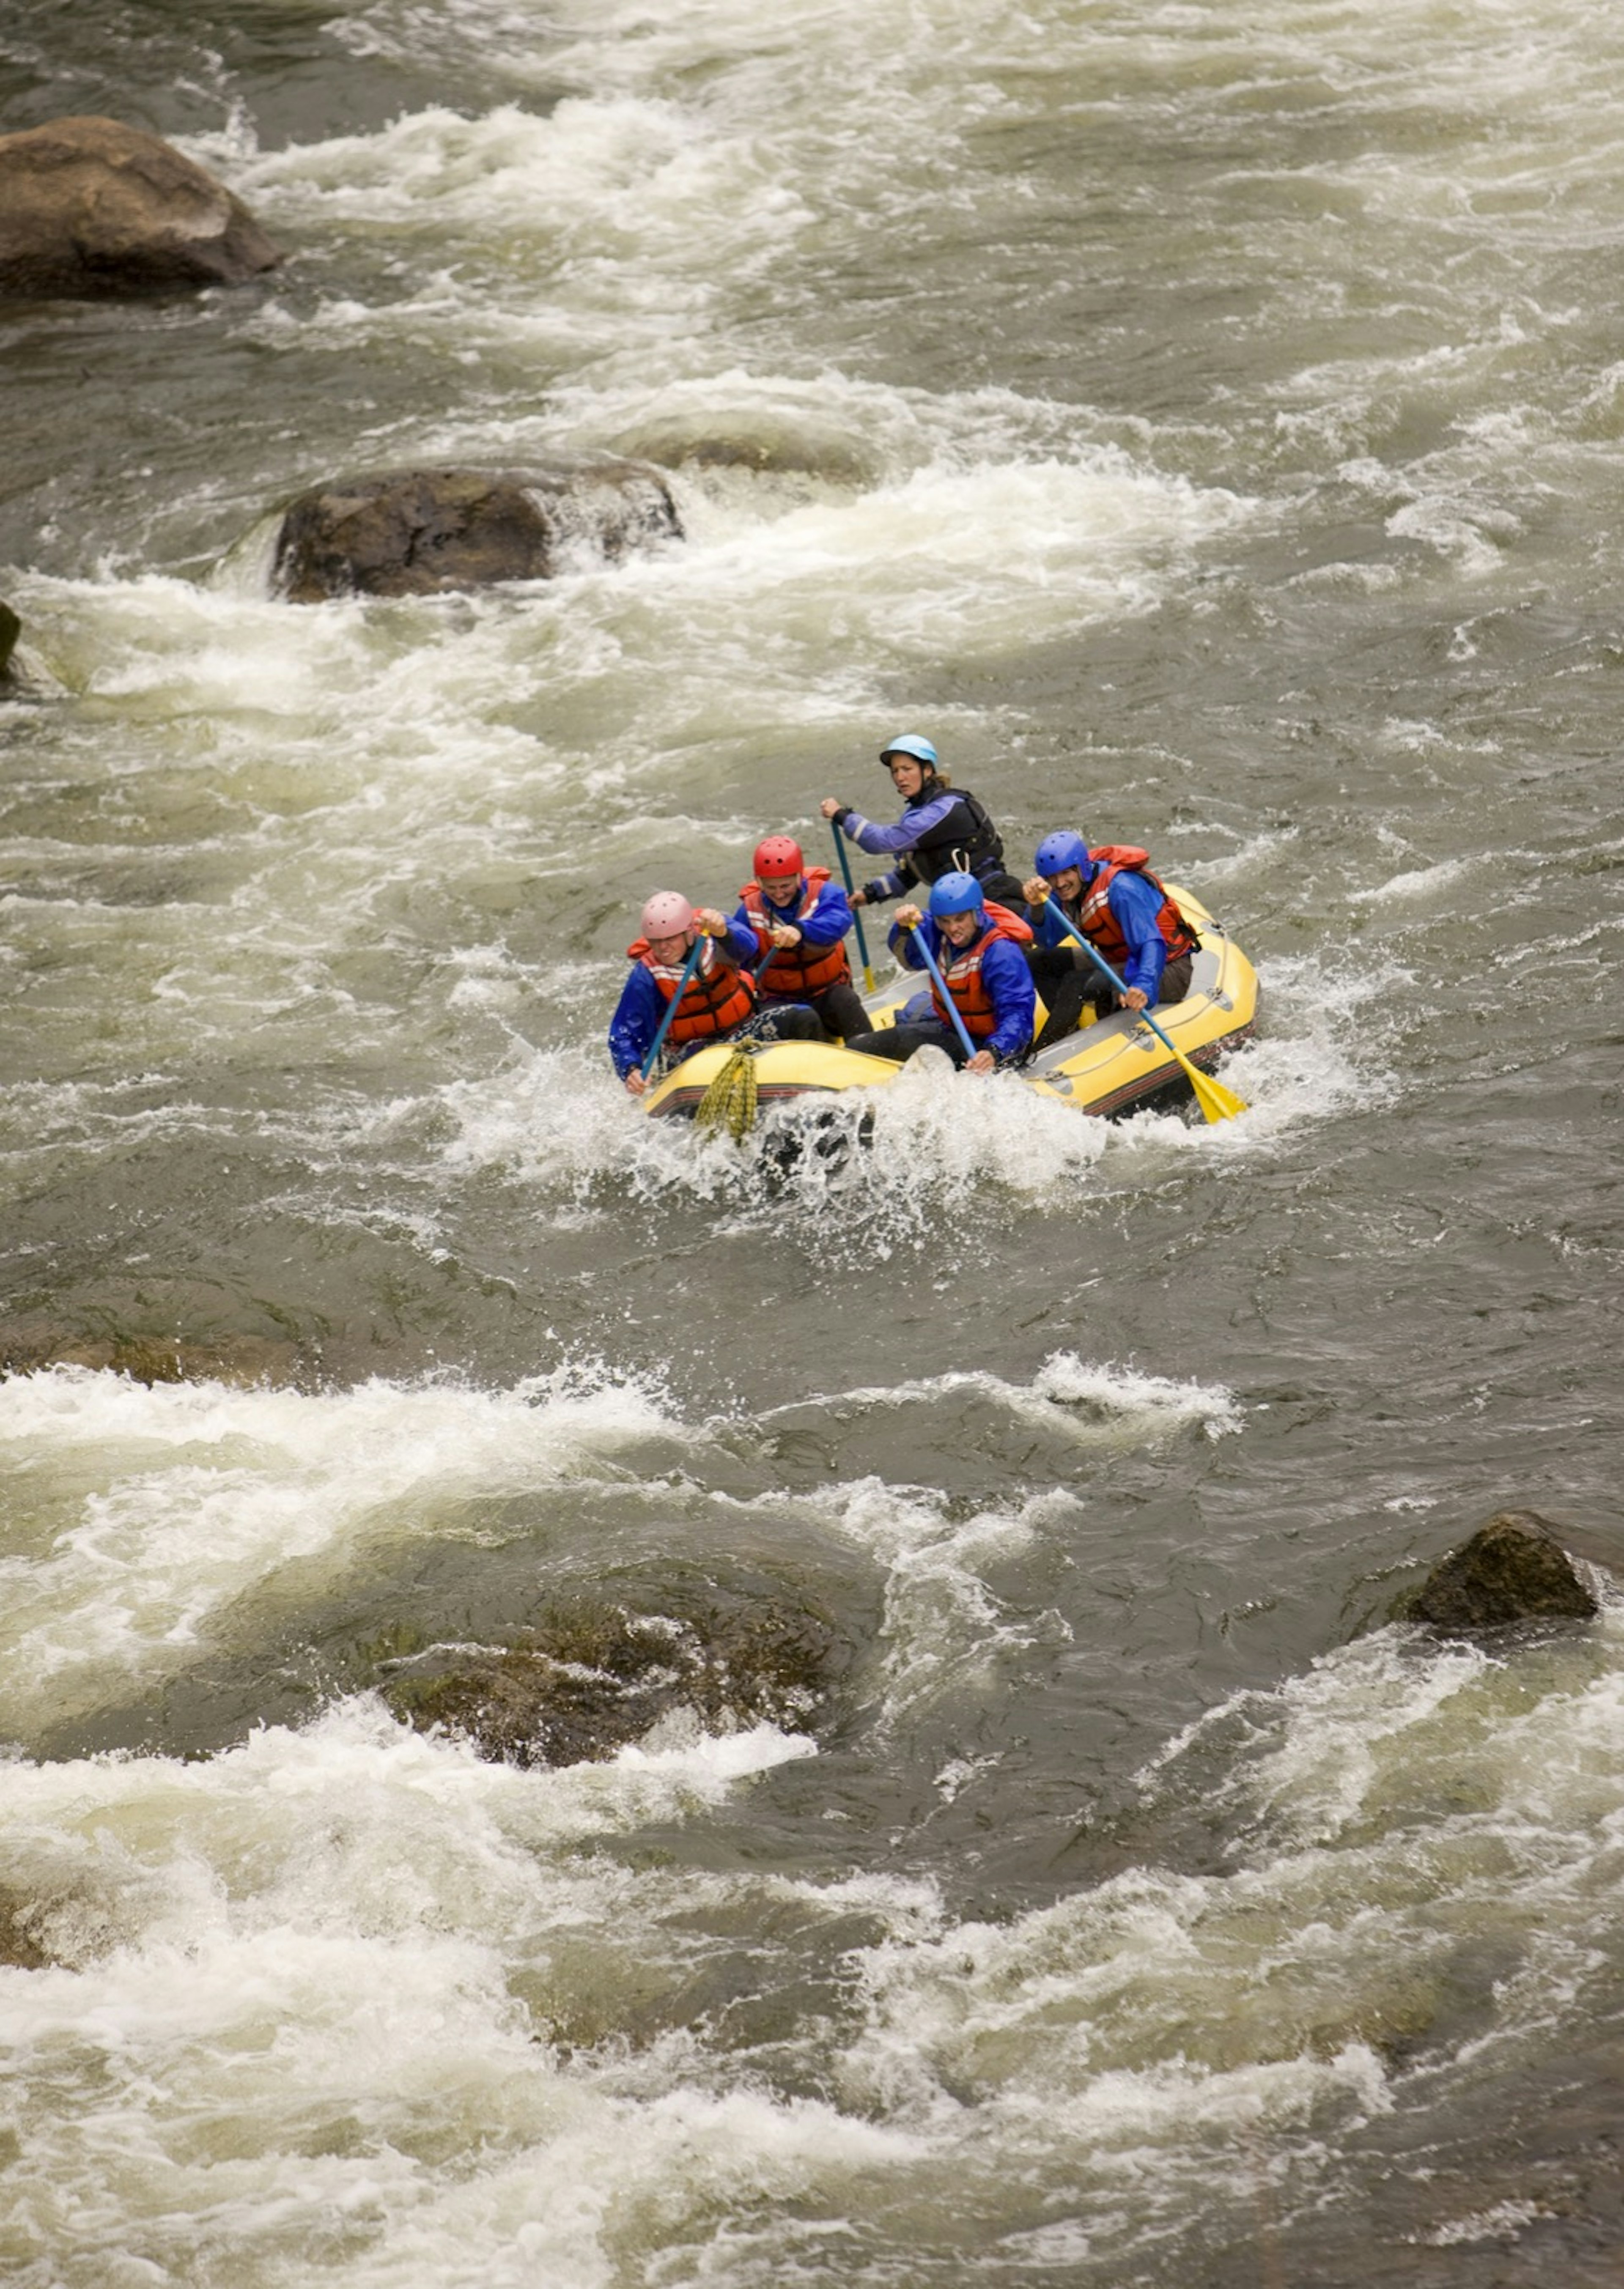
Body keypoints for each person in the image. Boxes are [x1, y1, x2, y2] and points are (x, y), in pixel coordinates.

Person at [609, 891, 822, 1097]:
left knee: (803, 1017)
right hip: (692, 1053)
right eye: (656, 941)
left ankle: (818, 1081)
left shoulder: (712, 933)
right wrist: (631, 1069)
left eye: (670, 939)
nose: (663, 948)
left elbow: (749, 949)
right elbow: (625, 1031)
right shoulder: (646, 976)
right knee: (706, 1060)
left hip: (744, 1033)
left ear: (688, 932)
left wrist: (724, 934)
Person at [1021, 831, 1200, 1051]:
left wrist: (1143, 986)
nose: (1060, 883)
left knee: (1076, 984)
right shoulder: (1068, 890)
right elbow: (1046, 939)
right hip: (1118, 960)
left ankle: (1046, 1050)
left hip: (1169, 969)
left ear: (1081, 868)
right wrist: (1036, 907)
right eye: (1052, 878)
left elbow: (1151, 944)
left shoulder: (1121, 888)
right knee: (1039, 961)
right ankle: (1070, 1031)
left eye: (1066, 873)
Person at [845, 871, 1035, 1076]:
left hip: (995, 1048)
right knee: (867, 1040)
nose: (953, 929)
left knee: (869, 1045)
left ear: (977, 913)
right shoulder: (938, 934)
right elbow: (911, 957)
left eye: (960, 919)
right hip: (954, 1029)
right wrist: (905, 927)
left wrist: (994, 1051)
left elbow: (1018, 1013)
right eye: (945, 921)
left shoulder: (1001, 954)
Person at [819, 733, 1029, 917]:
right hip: (960, 907)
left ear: (927, 770)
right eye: (895, 771)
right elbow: (910, 873)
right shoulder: (917, 814)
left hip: (995, 898)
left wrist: (842, 815)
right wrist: (870, 894)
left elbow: (883, 842)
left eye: (907, 769)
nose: (900, 777)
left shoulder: (945, 810)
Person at [732, 835, 868, 1043]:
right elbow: (740, 959)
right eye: (770, 887)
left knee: (846, 1000)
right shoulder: (749, 912)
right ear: (759, 882)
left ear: (799, 876)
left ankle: (871, 1050)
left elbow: (839, 921)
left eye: (785, 886)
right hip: (778, 1000)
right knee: (803, 1018)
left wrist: (802, 930)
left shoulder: (825, 894)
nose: (779, 894)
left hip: (827, 992)